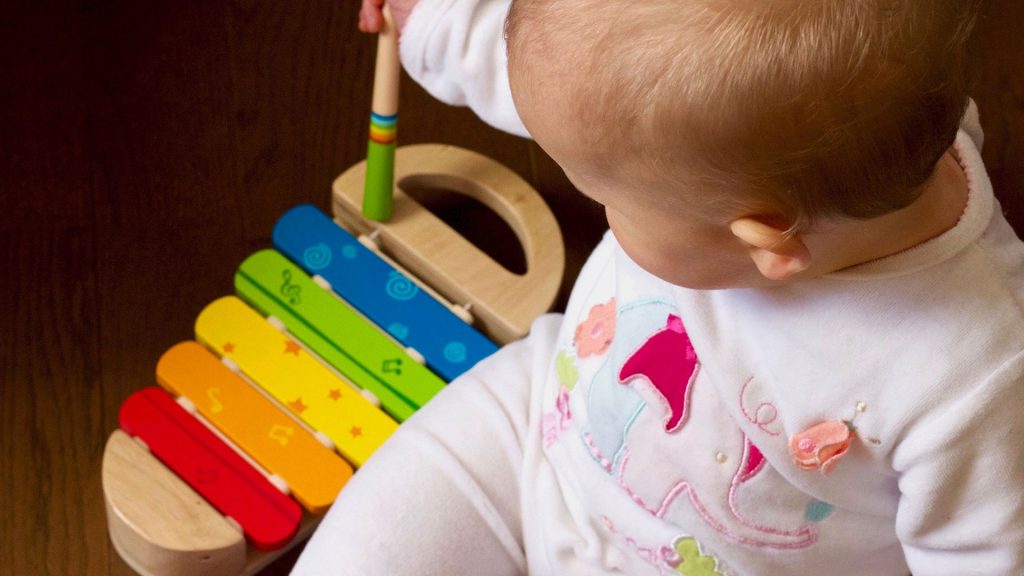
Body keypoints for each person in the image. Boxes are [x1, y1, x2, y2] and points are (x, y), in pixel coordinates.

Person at [294, 0, 1024, 574]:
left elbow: (985, 555)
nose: (604, 208)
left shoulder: (976, 381)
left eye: (610, 199)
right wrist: (438, 23)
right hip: (542, 440)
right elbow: (581, 86)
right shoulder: (839, 130)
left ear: (765, 242)